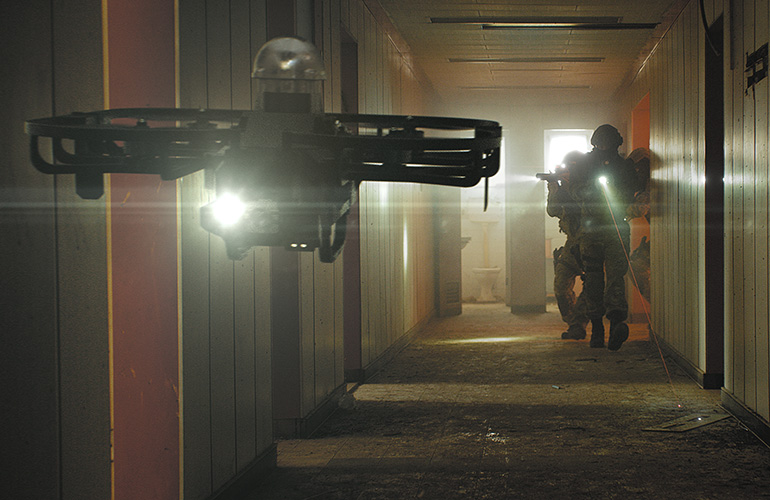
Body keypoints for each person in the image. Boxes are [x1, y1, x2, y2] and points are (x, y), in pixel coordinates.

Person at [568, 125, 637, 350]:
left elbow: (632, 192)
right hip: (591, 230)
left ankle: (617, 321)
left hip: (615, 226)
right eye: (600, 144)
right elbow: (575, 192)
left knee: (616, 277)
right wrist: (591, 191)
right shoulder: (585, 166)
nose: (603, 148)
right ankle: (597, 327)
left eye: (607, 144)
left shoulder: (624, 166)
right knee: (594, 280)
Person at [546, 151, 589, 340]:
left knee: (593, 287)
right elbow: (553, 211)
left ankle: (581, 322)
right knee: (560, 286)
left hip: (592, 243)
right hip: (572, 243)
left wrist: (571, 185)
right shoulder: (563, 188)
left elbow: (586, 207)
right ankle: (574, 325)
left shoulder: (588, 186)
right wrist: (554, 188)